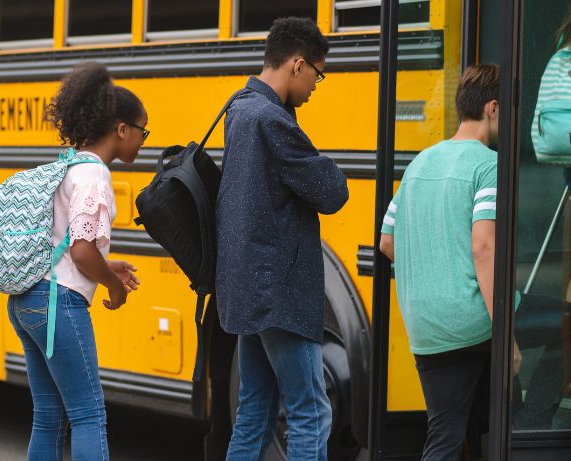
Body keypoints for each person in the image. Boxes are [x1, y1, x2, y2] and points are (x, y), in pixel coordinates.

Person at [217, 17, 349, 461]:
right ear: (297, 64)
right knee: (310, 412)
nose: (316, 84)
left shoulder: (240, 109)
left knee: (254, 410)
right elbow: (333, 193)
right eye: (318, 72)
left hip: (248, 290)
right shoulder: (272, 121)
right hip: (281, 296)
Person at [378, 64, 518, 459]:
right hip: (471, 322)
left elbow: (387, 242)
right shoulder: (488, 164)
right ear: (492, 109)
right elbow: (484, 249)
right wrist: (506, 335)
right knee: (568, 321)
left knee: (448, 432)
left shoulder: (420, 163)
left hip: (425, 324)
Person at [6, 61, 144, 461]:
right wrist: (112, 284)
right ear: (121, 129)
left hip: (29, 299)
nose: (142, 141)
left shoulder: (68, 165)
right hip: (58, 304)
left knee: (48, 415)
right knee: (88, 415)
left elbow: (69, 243)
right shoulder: (95, 175)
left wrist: (106, 264)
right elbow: (82, 252)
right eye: (142, 131)